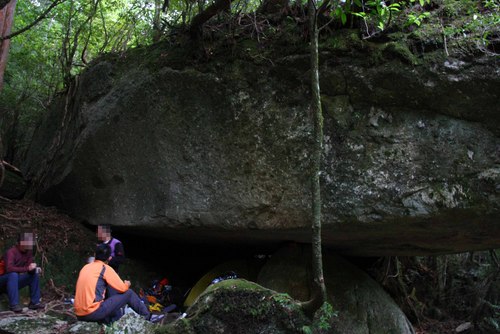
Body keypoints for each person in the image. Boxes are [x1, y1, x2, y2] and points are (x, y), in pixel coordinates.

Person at [74, 243, 162, 324]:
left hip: (79, 314)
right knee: (129, 293)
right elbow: (122, 288)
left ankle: (114, 319)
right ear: (109, 258)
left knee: (108, 287)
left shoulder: (85, 267)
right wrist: (127, 284)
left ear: (94, 255)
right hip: (93, 312)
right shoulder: (105, 268)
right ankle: (148, 316)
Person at [0, 232, 44, 313]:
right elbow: (9, 269)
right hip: (2, 281)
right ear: (21, 242)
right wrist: (27, 268)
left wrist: (34, 269)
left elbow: (28, 269)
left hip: (12, 283)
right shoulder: (11, 252)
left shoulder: (28, 252)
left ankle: (34, 302)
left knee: (34, 275)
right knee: (13, 275)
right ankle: (14, 305)